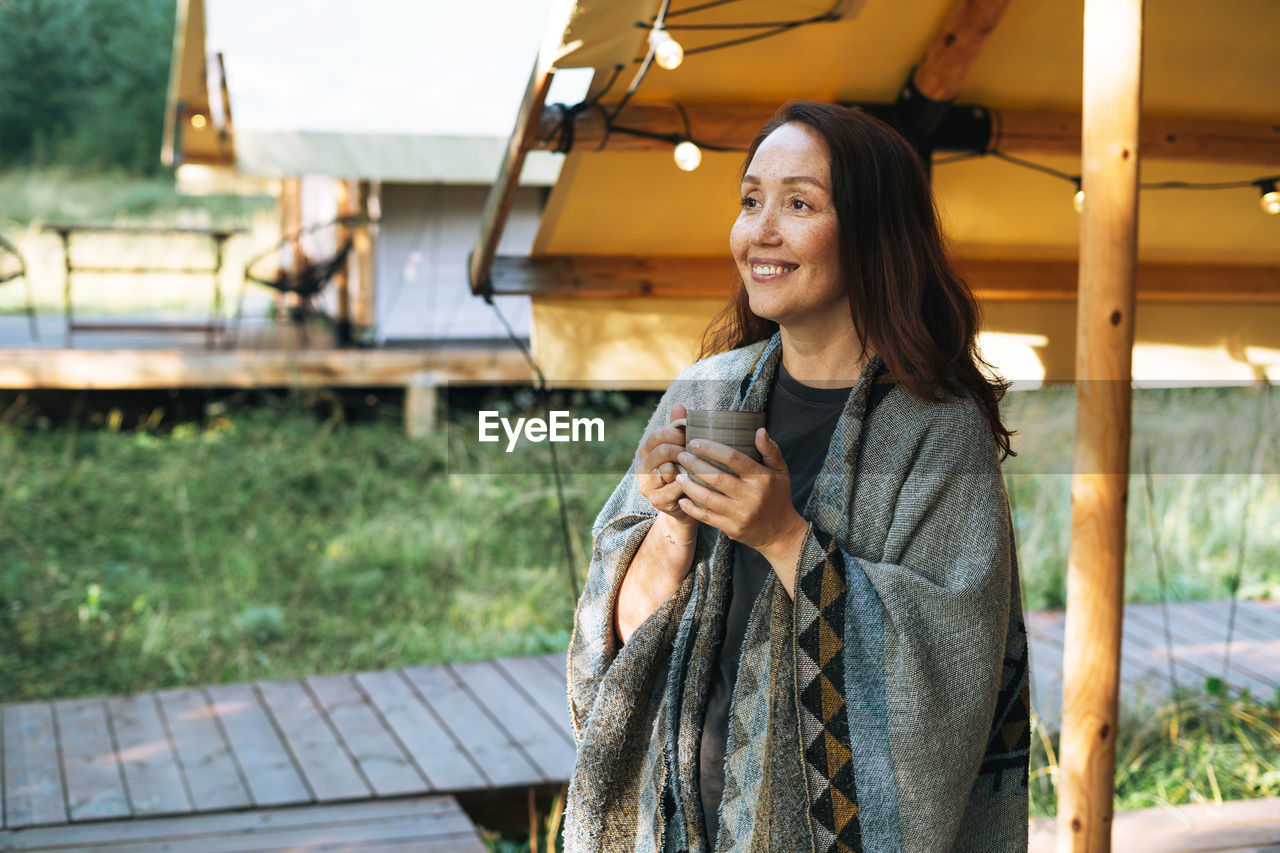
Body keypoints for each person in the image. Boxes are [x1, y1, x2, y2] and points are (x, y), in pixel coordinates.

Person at [564, 101, 1029, 853]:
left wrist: (783, 538)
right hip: (682, 820)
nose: (760, 231)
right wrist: (672, 522)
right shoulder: (706, 392)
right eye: (751, 200)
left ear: (872, 233)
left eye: (799, 203)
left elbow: (950, 677)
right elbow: (620, 641)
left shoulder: (936, 430)